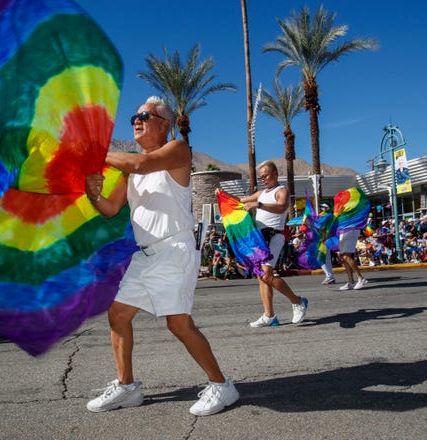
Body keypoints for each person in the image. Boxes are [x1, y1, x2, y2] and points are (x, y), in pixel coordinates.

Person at [84, 96, 238, 415]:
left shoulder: (178, 149)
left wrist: (95, 156)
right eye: (134, 117)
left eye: (144, 115)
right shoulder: (130, 170)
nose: (136, 120)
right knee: (118, 313)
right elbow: (110, 209)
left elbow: (139, 163)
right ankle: (127, 388)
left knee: (178, 324)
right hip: (147, 254)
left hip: (175, 247)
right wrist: (92, 193)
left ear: (163, 124)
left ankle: (222, 387)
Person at [215, 160, 308, 327]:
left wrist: (259, 204)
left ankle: (298, 301)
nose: (263, 179)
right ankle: (269, 315)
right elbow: (240, 201)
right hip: (259, 238)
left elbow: (281, 207)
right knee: (261, 277)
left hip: (275, 236)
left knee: (266, 274)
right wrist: (224, 194)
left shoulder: (282, 191)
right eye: (261, 177)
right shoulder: (260, 193)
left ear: (275, 174)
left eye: (265, 176)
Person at [318, 203, 336, 284]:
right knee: (327, 258)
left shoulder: (324, 215)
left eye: (322, 207)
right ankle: (330, 276)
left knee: (320, 258)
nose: (321, 208)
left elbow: (319, 226)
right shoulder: (332, 216)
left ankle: (329, 276)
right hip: (327, 238)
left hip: (323, 238)